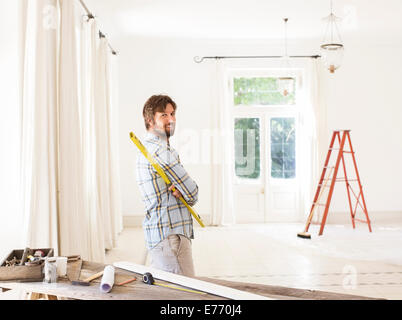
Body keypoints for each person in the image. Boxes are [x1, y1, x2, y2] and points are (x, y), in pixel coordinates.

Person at [136, 94, 198, 277]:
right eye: (163, 115)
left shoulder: (147, 149)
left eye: (172, 113)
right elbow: (193, 193)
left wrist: (182, 190)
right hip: (171, 238)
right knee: (184, 297)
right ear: (149, 120)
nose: (171, 119)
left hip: (161, 237)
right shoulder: (160, 151)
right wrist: (186, 192)